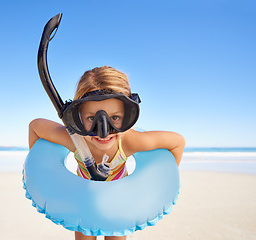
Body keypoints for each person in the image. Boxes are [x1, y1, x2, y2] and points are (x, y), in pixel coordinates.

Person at [28, 66, 185, 240]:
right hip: (83, 201)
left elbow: (177, 142)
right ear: (76, 116)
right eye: (91, 118)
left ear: (128, 115)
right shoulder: (74, 138)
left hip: (117, 205)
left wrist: (160, 179)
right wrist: (41, 170)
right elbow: (35, 126)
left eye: (115, 118)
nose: (103, 131)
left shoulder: (128, 141)